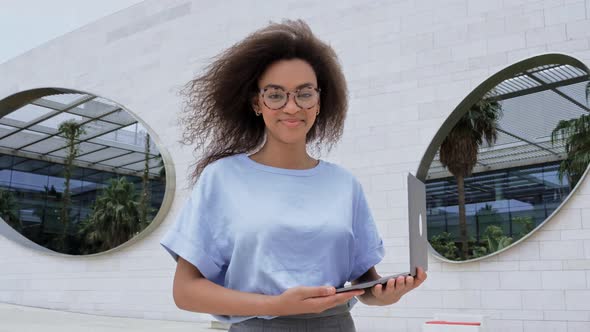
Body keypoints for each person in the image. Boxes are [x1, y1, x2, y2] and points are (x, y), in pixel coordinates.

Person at [159, 19, 427, 332]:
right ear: (257, 103)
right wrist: (275, 305)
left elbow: (365, 285)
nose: (291, 107)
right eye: (275, 95)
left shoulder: (344, 184)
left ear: (319, 102)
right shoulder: (222, 178)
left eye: (304, 93)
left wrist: (387, 294)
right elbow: (185, 291)